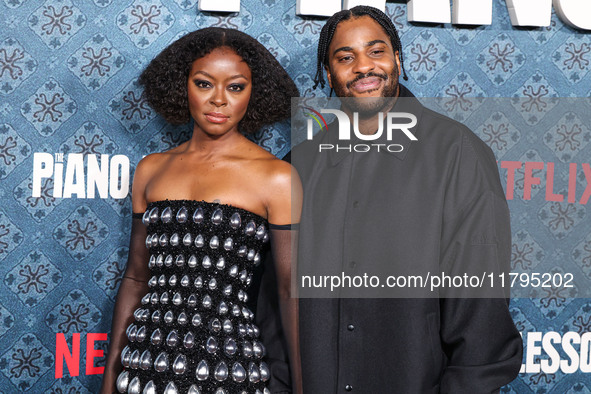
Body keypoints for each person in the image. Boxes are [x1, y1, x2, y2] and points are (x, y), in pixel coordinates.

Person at [290, 6, 523, 393]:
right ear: (328, 75)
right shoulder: (300, 166)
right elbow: (275, 306)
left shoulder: (457, 154)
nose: (363, 67)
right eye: (345, 57)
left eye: (376, 51)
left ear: (398, 58)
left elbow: (479, 308)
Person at [100, 27, 302, 394]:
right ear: (184, 86)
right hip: (146, 368)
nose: (219, 100)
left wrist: (304, 387)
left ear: (254, 93)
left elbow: (290, 293)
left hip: (230, 370)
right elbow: (135, 278)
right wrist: (110, 378)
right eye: (205, 84)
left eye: (236, 87)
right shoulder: (151, 169)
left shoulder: (276, 177)